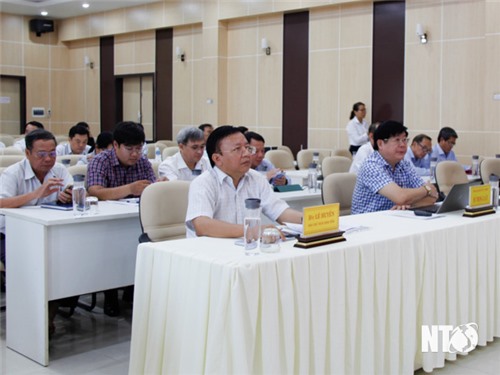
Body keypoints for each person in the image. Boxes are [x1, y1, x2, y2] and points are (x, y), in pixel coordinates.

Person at [0, 129, 73, 336]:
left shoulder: (59, 170)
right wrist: (36, 194)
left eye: (52, 153)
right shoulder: (12, 174)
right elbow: (1, 203)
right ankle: (30, 319)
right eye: (42, 154)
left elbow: (73, 190)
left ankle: (48, 317)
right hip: (11, 235)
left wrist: (68, 196)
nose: (48, 159)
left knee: (63, 262)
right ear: (27, 153)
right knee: (32, 264)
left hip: (47, 231)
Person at [87, 121, 156, 316]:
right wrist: (129, 189)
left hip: (135, 219)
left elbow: (150, 186)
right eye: (129, 148)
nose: (135, 154)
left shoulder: (142, 162)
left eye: (139, 148)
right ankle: (110, 293)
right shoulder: (100, 161)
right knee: (112, 250)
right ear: (116, 145)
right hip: (103, 225)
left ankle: (131, 289)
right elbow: (95, 192)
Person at [185, 125, 302, 238]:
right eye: (237, 149)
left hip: (245, 250)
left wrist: (312, 220)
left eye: (247, 148)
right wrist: (251, 231)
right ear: (217, 158)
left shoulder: (255, 178)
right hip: (210, 253)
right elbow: (202, 225)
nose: (246, 154)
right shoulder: (203, 183)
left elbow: (281, 212)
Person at [351, 121, 439, 214]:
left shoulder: (404, 165)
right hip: (368, 222)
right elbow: (401, 197)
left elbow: (432, 197)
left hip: (395, 217)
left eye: (404, 140)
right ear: (380, 144)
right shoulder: (371, 166)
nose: (402, 145)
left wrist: (408, 205)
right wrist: (427, 189)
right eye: (397, 140)